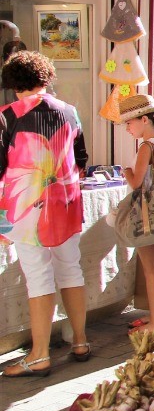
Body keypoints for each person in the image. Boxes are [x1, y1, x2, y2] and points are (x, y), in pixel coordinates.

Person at [0, 51, 90, 377]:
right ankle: (80, 341)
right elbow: (82, 160)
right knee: (71, 270)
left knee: (38, 277)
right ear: (46, 77)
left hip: (26, 207)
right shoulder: (69, 111)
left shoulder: (7, 115)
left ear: (13, 84)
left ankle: (39, 355)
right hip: (66, 201)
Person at [119, 94, 154, 336]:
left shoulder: (146, 147)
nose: (128, 128)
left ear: (143, 119)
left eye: (130, 123)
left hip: (148, 213)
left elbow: (136, 182)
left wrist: (125, 171)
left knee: (151, 269)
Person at [2, 39, 28, 106]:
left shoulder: (34, 74)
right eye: (9, 57)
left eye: (16, 57)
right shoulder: (2, 74)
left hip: (28, 112)